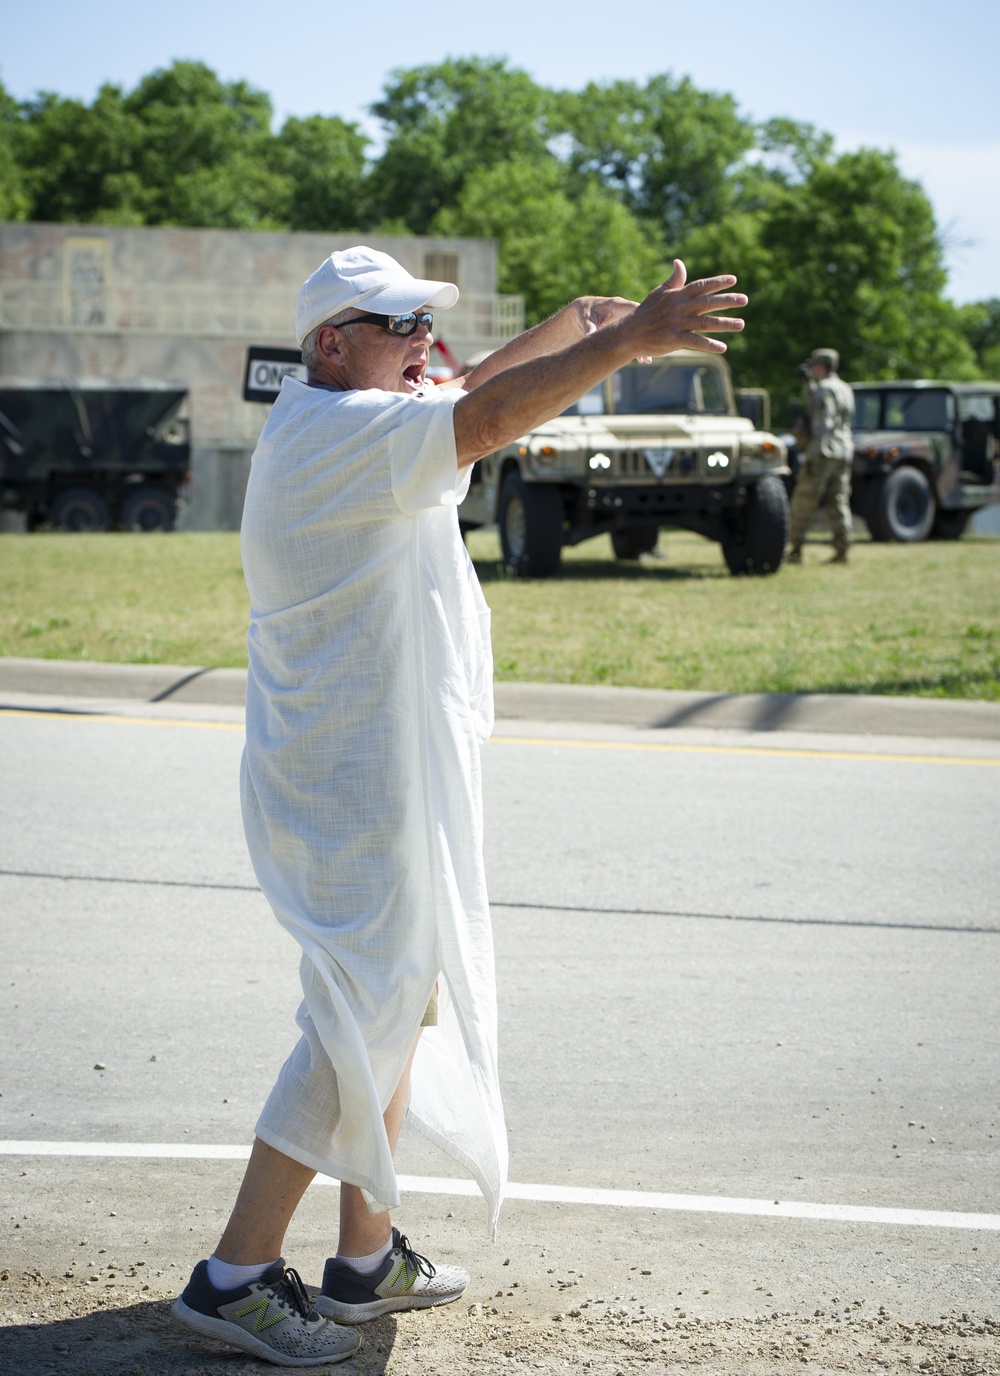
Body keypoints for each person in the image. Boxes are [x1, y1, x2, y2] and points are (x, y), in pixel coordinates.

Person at [171, 245, 746, 1367]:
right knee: (357, 1012)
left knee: (398, 998)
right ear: (330, 342)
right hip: (347, 773)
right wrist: (619, 343)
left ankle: (362, 1257)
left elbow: (469, 378)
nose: (418, 342)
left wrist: (569, 320)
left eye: (421, 323)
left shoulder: (363, 397)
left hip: (379, 761)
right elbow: (476, 421)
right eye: (396, 326)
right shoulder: (339, 431)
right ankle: (233, 1274)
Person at [786, 347, 855, 564]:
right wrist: (809, 386)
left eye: (814, 365)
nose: (812, 369)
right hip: (843, 450)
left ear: (822, 366)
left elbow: (823, 423)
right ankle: (842, 550)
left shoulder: (824, 389)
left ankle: (795, 549)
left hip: (824, 450)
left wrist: (810, 454)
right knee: (838, 500)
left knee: (804, 499)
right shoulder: (844, 388)